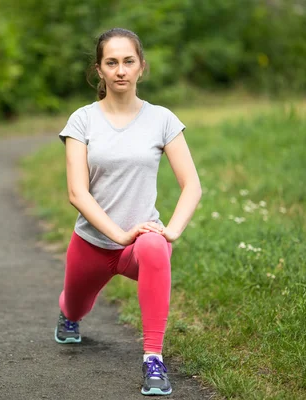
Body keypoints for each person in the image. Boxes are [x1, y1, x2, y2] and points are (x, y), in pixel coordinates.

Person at [54, 27, 202, 396]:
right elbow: (77, 191)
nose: (120, 70)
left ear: (141, 67)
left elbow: (192, 185)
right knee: (76, 306)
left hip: (140, 245)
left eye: (128, 61)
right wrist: (118, 234)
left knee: (153, 245)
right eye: (112, 62)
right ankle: (68, 316)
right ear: (99, 70)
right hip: (92, 243)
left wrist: (171, 231)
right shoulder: (83, 120)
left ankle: (153, 358)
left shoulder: (162, 119)